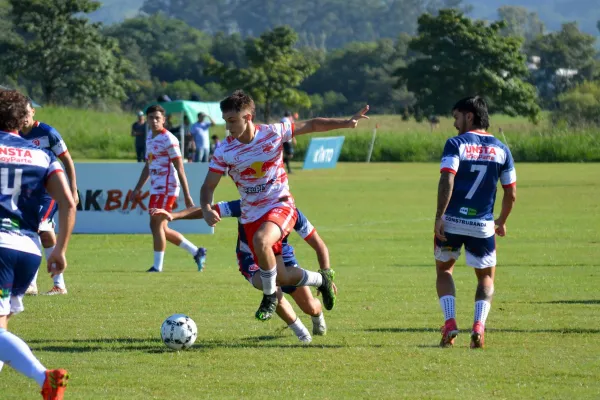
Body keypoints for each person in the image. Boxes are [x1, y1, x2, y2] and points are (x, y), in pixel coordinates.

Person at [200, 90, 369, 321]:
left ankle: (270, 297)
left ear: (248, 117)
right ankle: (323, 279)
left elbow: (312, 125)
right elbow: (208, 186)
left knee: (261, 242)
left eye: (232, 121)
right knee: (283, 277)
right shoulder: (224, 150)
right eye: (226, 121)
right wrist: (206, 207)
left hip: (281, 205)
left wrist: (346, 123)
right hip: (252, 216)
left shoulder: (272, 133)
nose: (228, 127)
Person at [151, 200, 333, 342]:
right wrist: (173, 216)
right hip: (250, 260)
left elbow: (320, 246)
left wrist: (327, 275)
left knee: (311, 306)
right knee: (271, 287)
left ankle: (318, 317)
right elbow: (208, 209)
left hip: (284, 261)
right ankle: (303, 336)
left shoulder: (290, 211)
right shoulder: (246, 204)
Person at [0, 89, 76, 399]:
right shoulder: (40, 154)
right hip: (28, 250)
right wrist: (59, 250)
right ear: (22, 119)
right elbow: (68, 203)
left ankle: (44, 376)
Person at [434, 96, 517, 349]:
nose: (454, 124)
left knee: (445, 271)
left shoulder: (456, 143)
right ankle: (478, 326)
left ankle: (450, 323)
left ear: (469, 116)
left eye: (456, 117)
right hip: (482, 225)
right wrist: (501, 221)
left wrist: (440, 215)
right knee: (485, 278)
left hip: (452, 222)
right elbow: (511, 193)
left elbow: (448, 178)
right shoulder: (502, 149)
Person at [131, 105, 207, 272]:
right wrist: (137, 189)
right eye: (151, 117)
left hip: (167, 187)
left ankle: (157, 267)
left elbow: (180, 168)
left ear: (164, 120)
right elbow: (148, 166)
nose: (154, 120)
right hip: (156, 188)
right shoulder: (150, 137)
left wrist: (187, 195)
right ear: (147, 119)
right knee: (160, 227)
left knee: (156, 224)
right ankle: (197, 251)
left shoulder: (169, 139)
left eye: (158, 118)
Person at [20, 99, 79, 296]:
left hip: (49, 191)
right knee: (42, 232)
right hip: (28, 193)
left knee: (38, 228)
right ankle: (59, 285)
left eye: (26, 113)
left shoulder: (47, 132)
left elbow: (67, 160)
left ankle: (31, 283)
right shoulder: (13, 135)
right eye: (19, 113)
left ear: (33, 112)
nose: (23, 117)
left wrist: (73, 188)